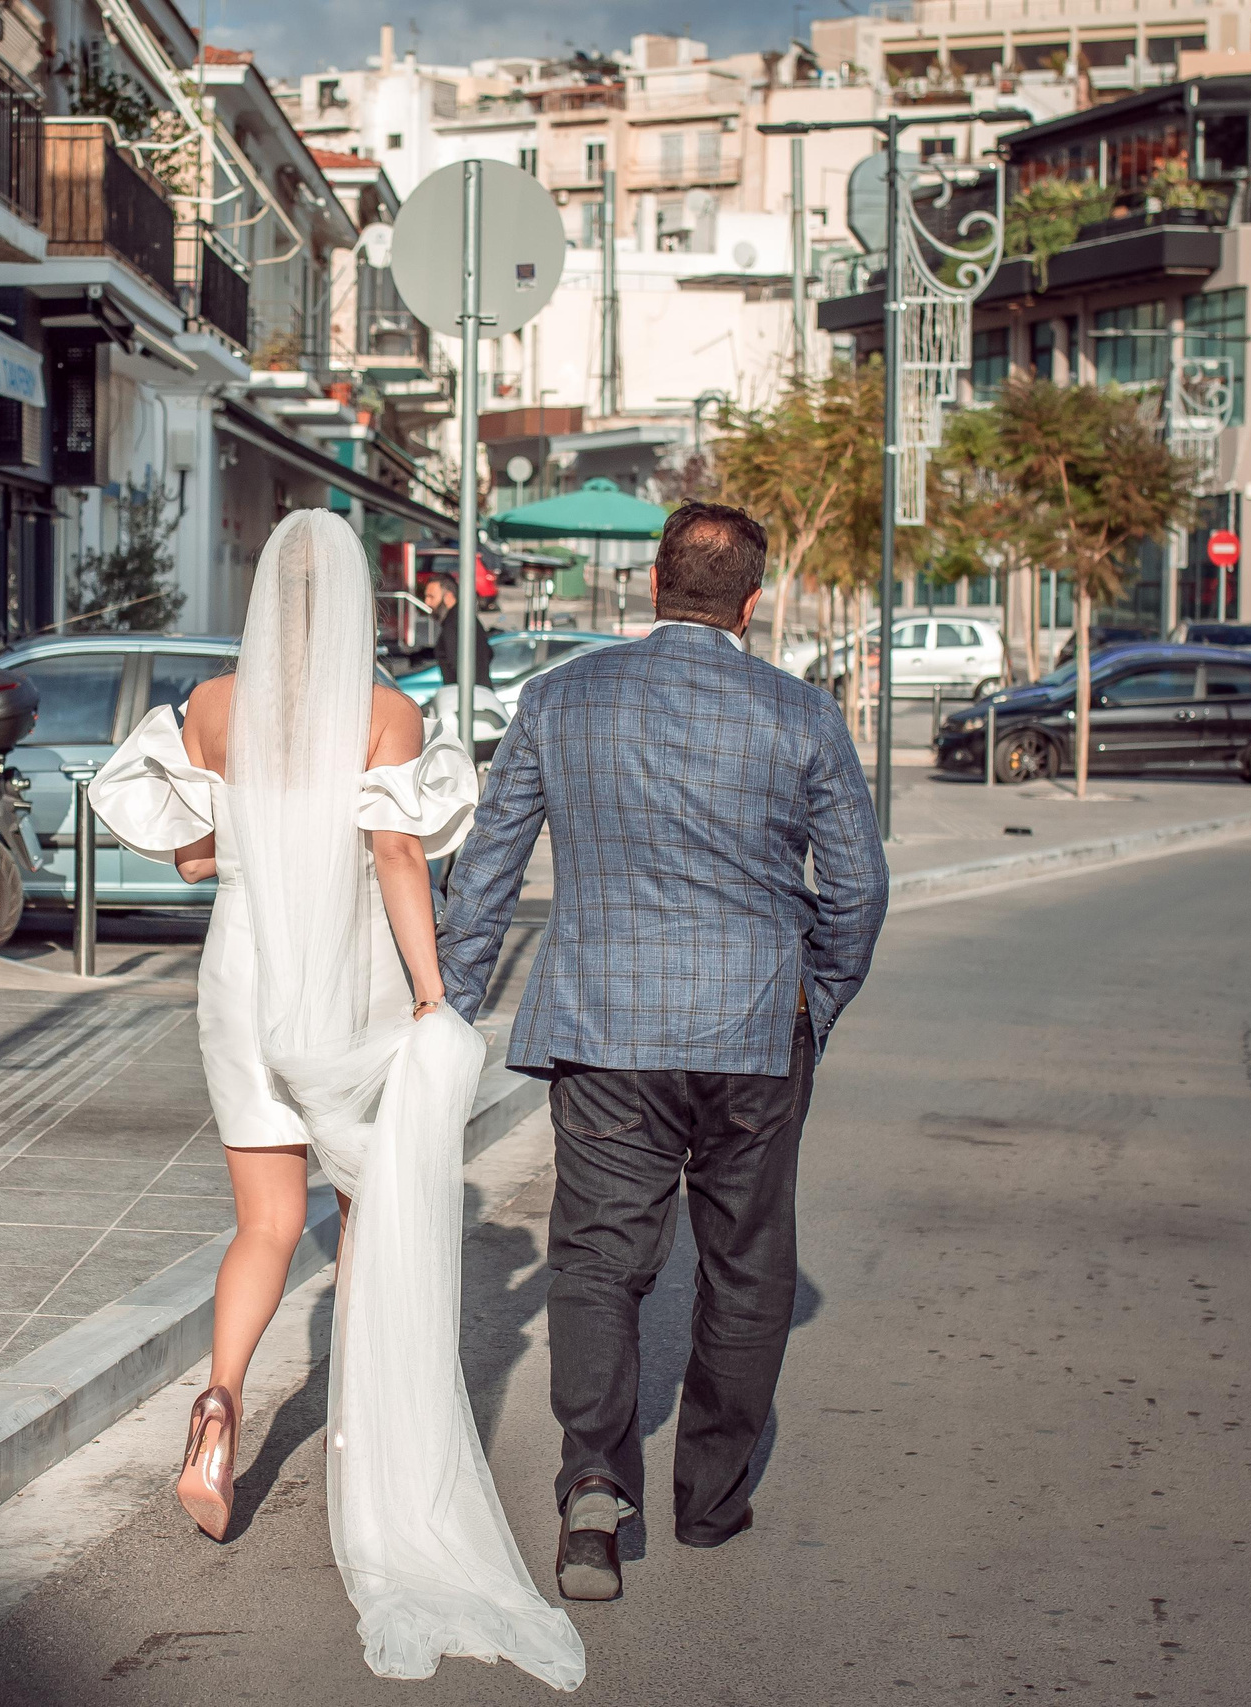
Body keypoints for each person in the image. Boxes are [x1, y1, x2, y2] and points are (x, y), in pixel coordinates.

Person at [88, 510, 583, 1689]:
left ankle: (217, 1411)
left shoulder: (211, 708)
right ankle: (371, 1445)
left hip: (243, 978)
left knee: (262, 1224)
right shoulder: (384, 711)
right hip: (350, 980)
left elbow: (190, 849)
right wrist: (432, 997)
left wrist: (248, 841)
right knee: (365, 1213)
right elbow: (399, 859)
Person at [437, 500, 887, 1602]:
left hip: (605, 1033)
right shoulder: (803, 716)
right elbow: (861, 891)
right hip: (752, 1034)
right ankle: (712, 1501)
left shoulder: (558, 700)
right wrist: (810, 1002)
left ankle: (594, 1488)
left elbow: (485, 872)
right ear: (752, 600)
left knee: (597, 1262)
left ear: (652, 587)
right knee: (745, 1266)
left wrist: (449, 1007)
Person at [421, 568, 497, 688]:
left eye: (431, 597)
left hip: (464, 696)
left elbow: (456, 663)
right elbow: (489, 652)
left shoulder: (453, 624)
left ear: (448, 597)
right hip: (480, 693)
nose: (427, 602)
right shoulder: (466, 618)